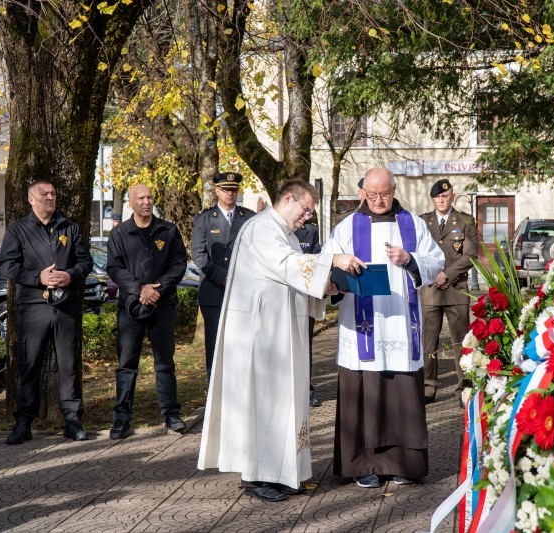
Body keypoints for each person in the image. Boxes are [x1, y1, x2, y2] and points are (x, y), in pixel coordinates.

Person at [198, 179, 365, 503]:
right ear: (288, 198)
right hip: (259, 336)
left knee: (284, 403)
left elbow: (291, 277)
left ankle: (283, 472)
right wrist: (332, 259)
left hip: (281, 331)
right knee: (264, 404)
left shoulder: (283, 231)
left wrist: (328, 287)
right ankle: (257, 475)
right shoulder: (262, 228)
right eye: (305, 210)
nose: (307, 218)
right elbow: (288, 264)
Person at [326, 167, 445, 488]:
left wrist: (411, 258)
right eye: (373, 194)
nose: (379, 200)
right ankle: (362, 466)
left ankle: (403, 464)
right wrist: (337, 274)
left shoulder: (414, 224)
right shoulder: (347, 226)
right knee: (363, 396)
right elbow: (327, 262)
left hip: (402, 328)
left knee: (402, 397)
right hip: (361, 327)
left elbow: (437, 262)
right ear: (363, 191)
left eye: (386, 193)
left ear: (394, 190)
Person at [0, 180, 94, 444]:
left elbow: (86, 262)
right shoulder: (18, 229)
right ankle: (23, 423)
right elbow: (7, 266)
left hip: (65, 306)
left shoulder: (69, 227)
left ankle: (72, 420)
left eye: (53, 193)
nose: (50, 197)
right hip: (33, 307)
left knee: (69, 364)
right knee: (30, 365)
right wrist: (37, 278)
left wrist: (70, 275)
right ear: (31, 199)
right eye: (45, 194)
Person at [106, 184, 188, 440]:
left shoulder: (168, 230)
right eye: (141, 198)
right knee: (126, 365)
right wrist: (140, 288)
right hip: (132, 307)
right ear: (130, 202)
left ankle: (171, 414)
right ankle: (121, 418)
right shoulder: (120, 233)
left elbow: (179, 264)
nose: (146, 201)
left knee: (165, 363)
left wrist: (158, 289)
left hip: (162, 305)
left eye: (150, 197)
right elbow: (114, 268)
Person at [419, 179, 478, 406]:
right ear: (432, 199)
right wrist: (433, 274)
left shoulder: (465, 221)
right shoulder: (423, 222)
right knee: (428, 342)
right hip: (430, 290)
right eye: (437, 197)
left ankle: (464, 387)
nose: (441, 200)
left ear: (452, 196)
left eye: (445, 196)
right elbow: (418, 252)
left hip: (456, 290)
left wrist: (447, 275)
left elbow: (470, 254)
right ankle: (428, 386)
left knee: (460, 342)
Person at [191, 172, 255, 378]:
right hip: (213, 292)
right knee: (215, 345)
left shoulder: (250, 218)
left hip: (242, 290)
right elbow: (198, 254)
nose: (230, 193)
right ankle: (213, 394)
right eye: (226, 189)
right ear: (217, 191)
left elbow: (255, 252)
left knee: (242, 344)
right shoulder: (205, 219)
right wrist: (222, 277)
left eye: (234, 189)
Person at [293, 220, 322, 407]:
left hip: (305, 297)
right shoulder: (276, 230)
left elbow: (317, 259)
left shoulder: (311, 231)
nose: (307, 214)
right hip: (281, 298)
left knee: (305, 345)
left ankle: (306, 390)